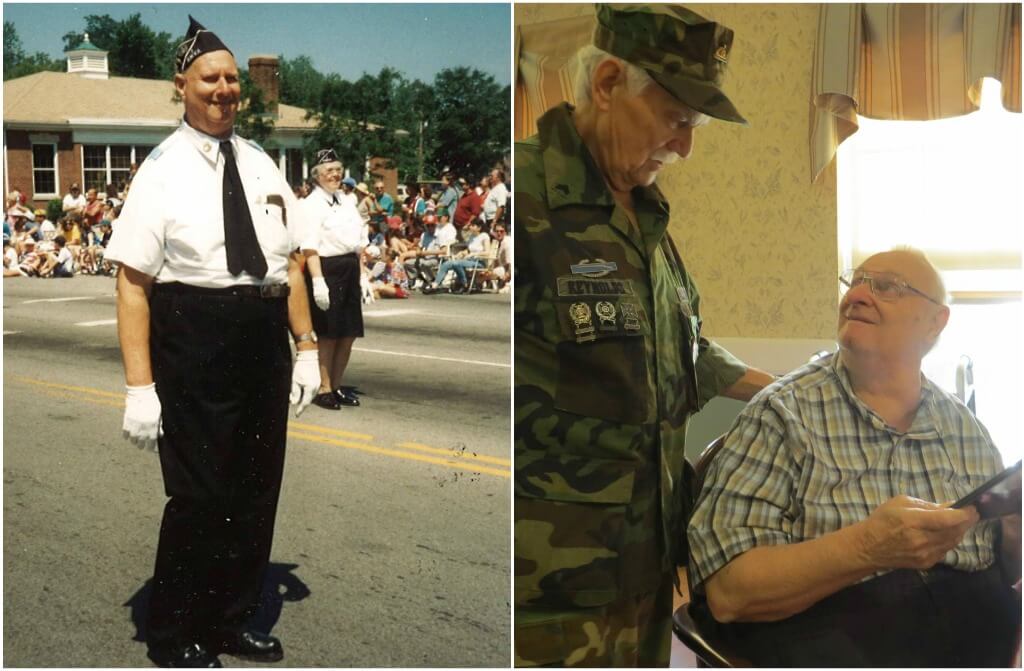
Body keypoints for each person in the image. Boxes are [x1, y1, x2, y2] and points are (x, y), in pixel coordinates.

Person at [513, 5, 776, 666]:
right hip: (550, 593)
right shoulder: (526, 198)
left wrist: (789, 393)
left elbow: (683, 350)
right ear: (607, 85)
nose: (686, 146)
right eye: (679, 119)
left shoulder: (647, 217)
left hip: (648, 574)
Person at [102, 16, 320, 668]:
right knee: (201, 494)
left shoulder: (260, 163)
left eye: (231, 79)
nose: (225, 89)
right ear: (182, 85)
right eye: (210, 79)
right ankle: (173, 629)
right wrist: (140, 387)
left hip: (261, 334)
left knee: (256, 488)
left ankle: (230, 618)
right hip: (194, 334)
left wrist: (306, 346)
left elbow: (289, 264)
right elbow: (132, 284)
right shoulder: (160, 171)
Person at [686, 248, 1021, 666]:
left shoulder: (967, 430)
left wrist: (1014, 534)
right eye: (855, 282)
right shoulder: (781, 416)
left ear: (937, 321)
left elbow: (1006, 567)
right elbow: (729, 593)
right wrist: (866, 549)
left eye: (887, 287)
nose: (857, 295)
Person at [299, 148, 368, 411]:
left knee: (348, 332)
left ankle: (337, 386)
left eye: (338, 170)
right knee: (327, 334)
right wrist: (318, 282)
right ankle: (323, 388)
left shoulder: (347, 201)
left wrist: (364, 277)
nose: (335, 175)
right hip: (327, 269)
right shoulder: (310, 205)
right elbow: (310, 247)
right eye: (329, 171)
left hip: (349, 267)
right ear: (317, 176)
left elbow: (358, 242)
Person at [422, 217, 490, 294]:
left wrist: (474, 254)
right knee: (446, 264)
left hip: (479, 262)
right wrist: (462, 253)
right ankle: (435, 285)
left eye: (472, 225)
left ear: (479, 228)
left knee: (456, 263)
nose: (470, 227)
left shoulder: (484, 236)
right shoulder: (472, 237)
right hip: (468, 260)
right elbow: (468, 250)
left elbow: (487, 252)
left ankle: (464, 283)